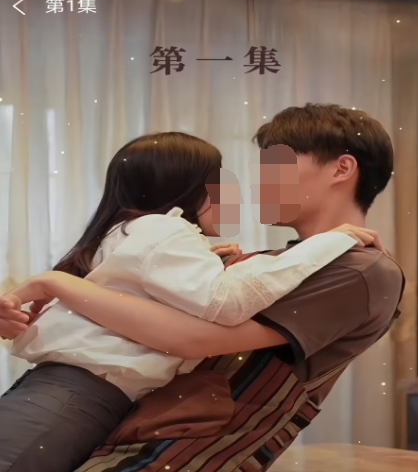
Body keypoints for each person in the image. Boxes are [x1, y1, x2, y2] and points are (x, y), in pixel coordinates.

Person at [0, 104, 404, 472]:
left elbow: (193, 339)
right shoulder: (264, 261)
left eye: (276, 165)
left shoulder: (360, 270)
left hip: (179, 457)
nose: (259, 182)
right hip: (121, 440)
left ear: (341, 169)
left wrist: (56, 283)